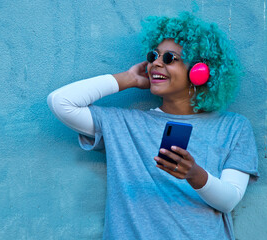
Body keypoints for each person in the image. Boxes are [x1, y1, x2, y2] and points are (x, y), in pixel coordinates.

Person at [47, 12, 259, 240]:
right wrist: (128, 78)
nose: (156, 63)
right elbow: (61, 102)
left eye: (170, 58)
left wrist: (194, 174)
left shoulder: (233, 127)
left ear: (200, 71)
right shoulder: (123, 124)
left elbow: (230, 200)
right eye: (153, 56)